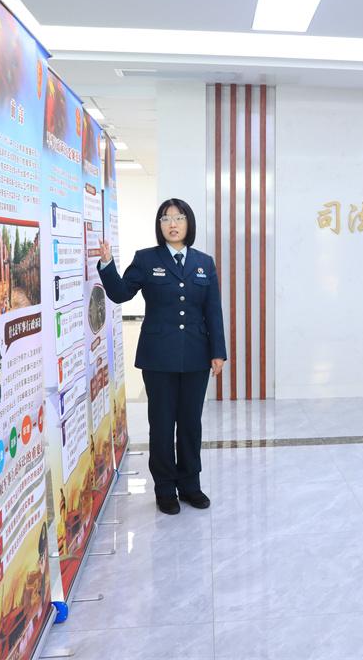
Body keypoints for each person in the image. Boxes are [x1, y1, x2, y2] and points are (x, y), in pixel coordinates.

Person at [97, 199, 226, 515]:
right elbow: (121, 293)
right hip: (158, 357)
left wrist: (218, 352)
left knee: (190, 424)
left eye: (179, 218)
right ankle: (165, 489)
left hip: (196, 355)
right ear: (160, 226)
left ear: (188, 223)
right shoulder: (146, 259)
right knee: (163, 424)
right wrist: (107, 264)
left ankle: (191, 485)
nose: (173, 224)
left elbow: (213, 310)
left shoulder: (204, 262)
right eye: (166, 219)